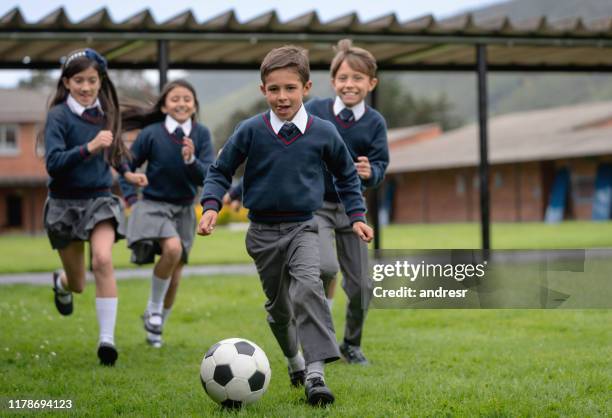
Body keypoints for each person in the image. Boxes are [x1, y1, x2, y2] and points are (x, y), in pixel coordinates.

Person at [197, 45, 373, 407]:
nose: (282, 96)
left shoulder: (322, 132)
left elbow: (346, 175)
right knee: (279, 311)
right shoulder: (250, 131)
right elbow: (220, 170)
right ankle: (294, 362)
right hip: (262, 234)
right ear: (263, 90)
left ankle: (315, 375)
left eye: (290, 88)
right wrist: (211, 206)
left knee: (309, 287)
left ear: (306, 88)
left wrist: (356, 216)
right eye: (274, 89)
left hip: (303, 228)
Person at [41, 48, 146, 366]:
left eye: (91, 80)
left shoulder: (107, 113)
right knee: (78, 284)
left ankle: (107, 341)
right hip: (64, 204)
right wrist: (88, 147)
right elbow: (54, 164)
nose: (86, 87)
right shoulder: (58, 116)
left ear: (100, 81)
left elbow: (114, 152)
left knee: (102, 260)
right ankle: (62, 283)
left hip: (100, 199)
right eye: (78, 81)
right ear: (67, 82)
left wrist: (128, 173)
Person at [305, 39, 389, 365]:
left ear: (371, 83)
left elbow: (382, 165)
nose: (349, 84)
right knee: (325, 268)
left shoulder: (375, 123)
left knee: (362, 287)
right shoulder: (314, 111)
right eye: (343, 78)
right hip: (318, 207)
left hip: (353, 211)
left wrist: (372, 172)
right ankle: (320, 340)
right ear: (333, 81)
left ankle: (351, 345)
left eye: (357, 78)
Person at [118, 79, 215, 348]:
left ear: (194, 105)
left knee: (176, 276)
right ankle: (153, 308)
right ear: (163, 106)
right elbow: (127, 165)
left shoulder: (202, 134)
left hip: (184, 210)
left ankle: (155, 331)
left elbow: (208, 176)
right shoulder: (151, 133)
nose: (181, 103)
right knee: (171, 250)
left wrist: (191, 160)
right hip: (153, 206)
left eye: (187, 98)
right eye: (175, 99)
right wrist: (130, 197)